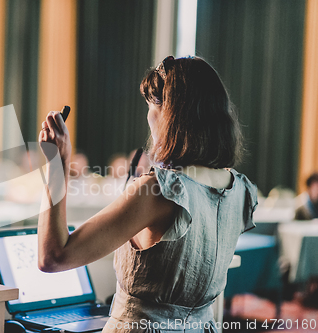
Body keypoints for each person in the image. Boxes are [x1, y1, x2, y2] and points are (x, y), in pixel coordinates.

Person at [37, 56, 257, 332]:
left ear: (170, 114)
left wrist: (56, 166)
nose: (148, 117)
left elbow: (53, 257)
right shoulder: (240, 190)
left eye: (151, 106)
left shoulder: (159, 190)